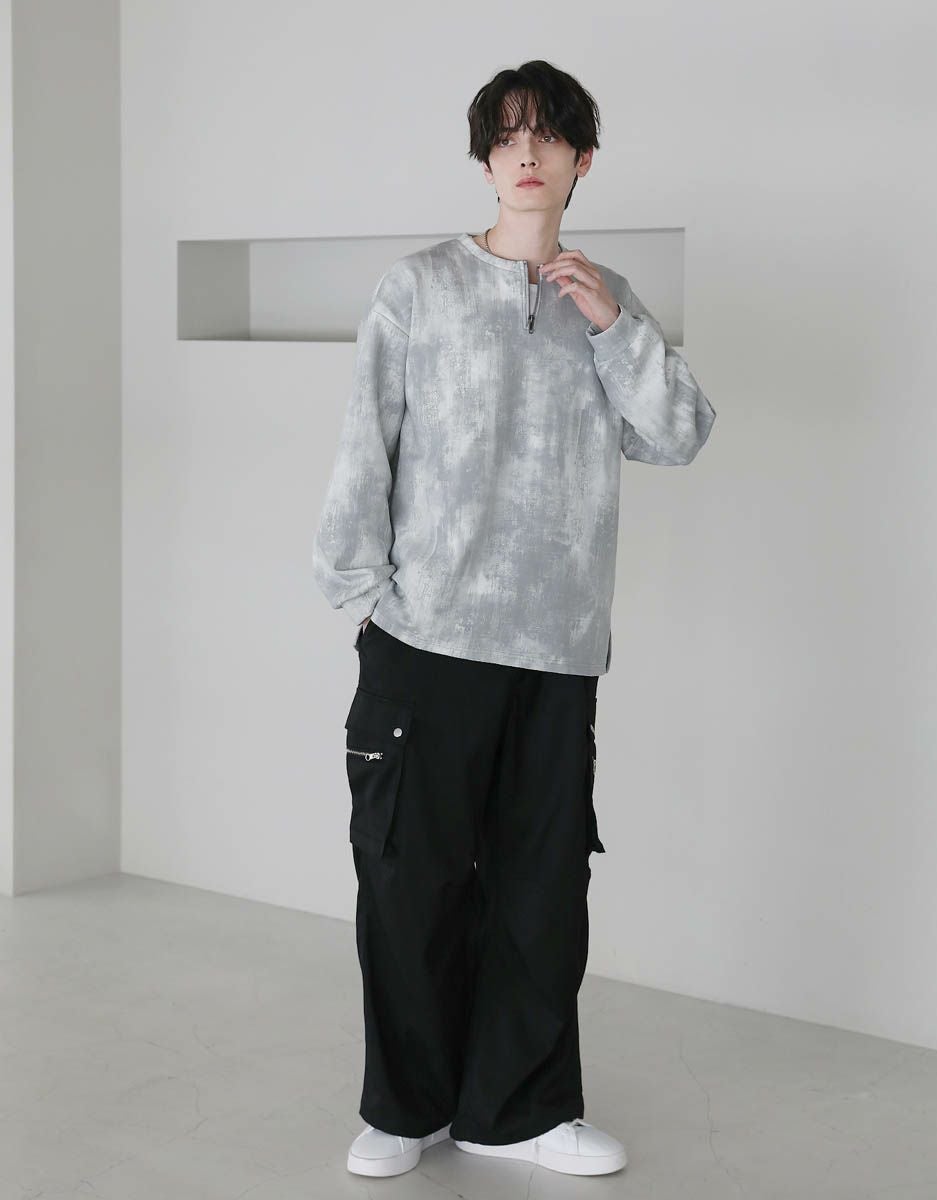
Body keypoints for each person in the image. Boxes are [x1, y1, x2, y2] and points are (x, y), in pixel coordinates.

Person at [312, 59, 716, 1179]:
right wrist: (361, 595)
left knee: (541, 891)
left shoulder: (608, 297)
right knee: (409, 884)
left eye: (547, 136)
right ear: (486, 159)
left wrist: (612, 327)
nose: (525, 153)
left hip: (557, 649)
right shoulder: (420, 287)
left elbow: (679, 433)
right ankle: (406, 1109)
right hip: (426, 639)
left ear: (583, 160)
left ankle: (524, 1111)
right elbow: (366, 442)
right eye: (505, 136)